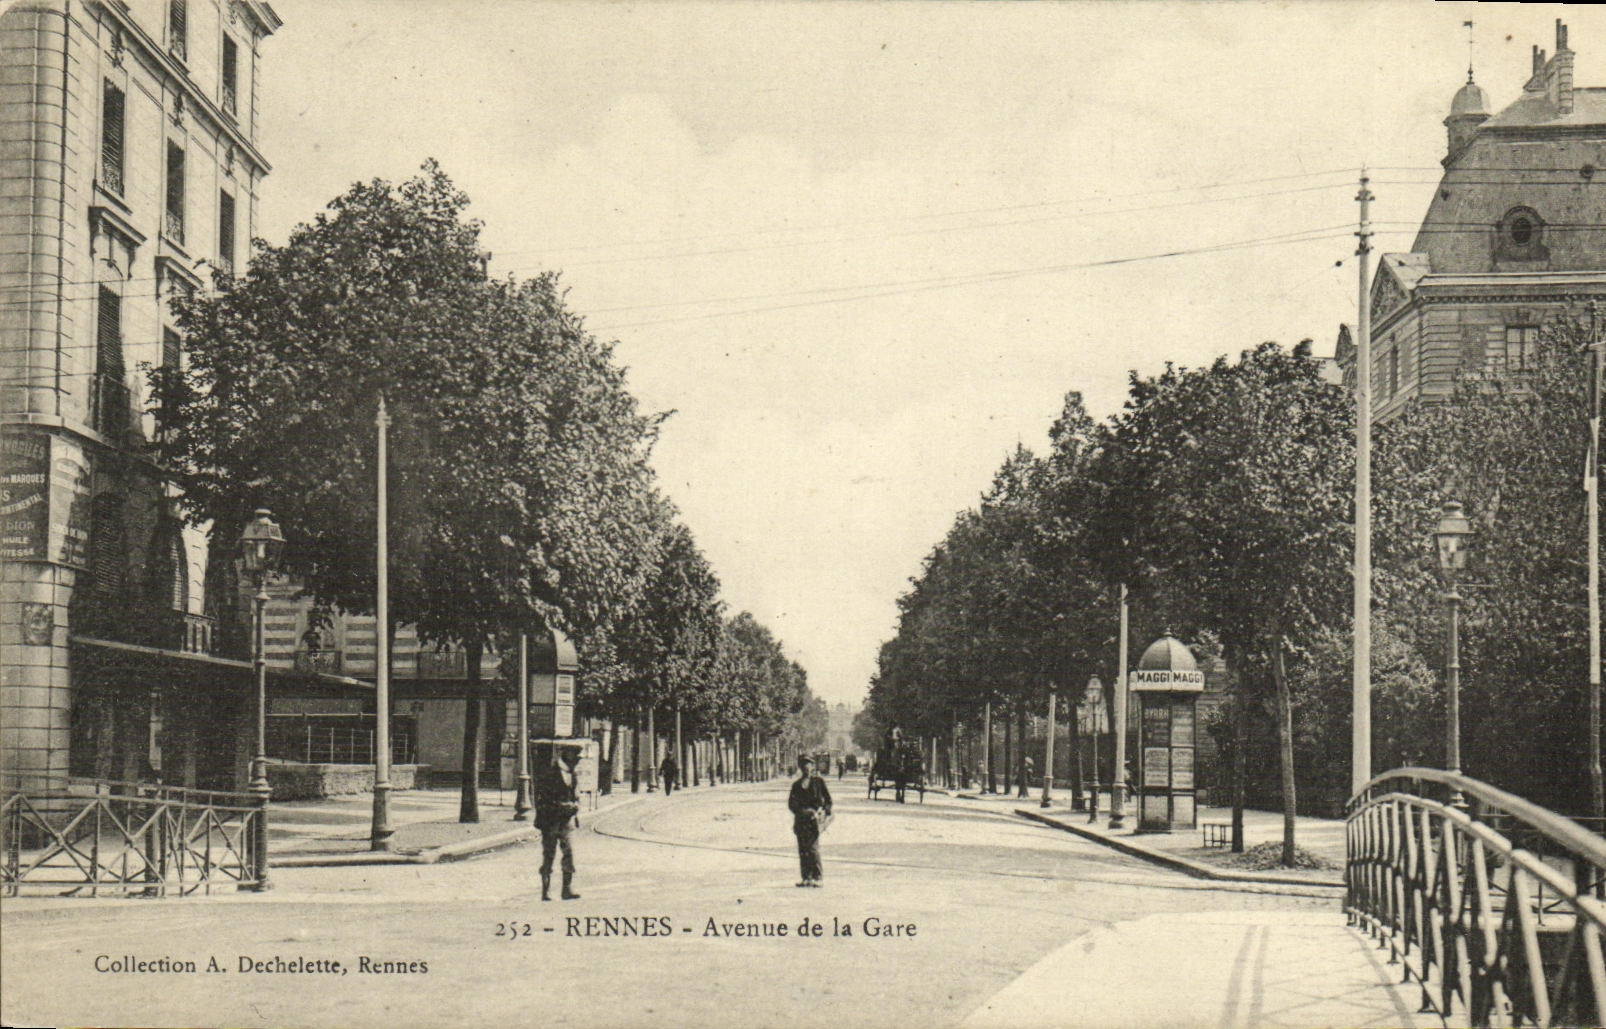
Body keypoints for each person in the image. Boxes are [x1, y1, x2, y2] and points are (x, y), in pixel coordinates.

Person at [534, 747, 582, 901]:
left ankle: (566, 890)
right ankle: (545, 892)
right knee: (549, 854)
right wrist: (561, 805)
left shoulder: (573, 775)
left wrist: (575, 805)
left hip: (567, 821)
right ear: (567, 756)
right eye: (575, 758)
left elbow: (576, 796)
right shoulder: (551, 774)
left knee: (569, 853)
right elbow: (542, 798)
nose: (577, 762)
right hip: (551, 821)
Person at [788, 755, 832, 888]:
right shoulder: (796, 785)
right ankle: (806, 877)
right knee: (802, 849)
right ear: (801, 768)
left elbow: (828, 800)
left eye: (809, 765)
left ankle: (818, 877)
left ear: (812, 767)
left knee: (813, 848)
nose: (807, 768)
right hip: (801, 820)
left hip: (814, 820)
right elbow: (791, 803)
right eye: (804, 765)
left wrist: (824, 811)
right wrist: (801, 811)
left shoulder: (819, 782)